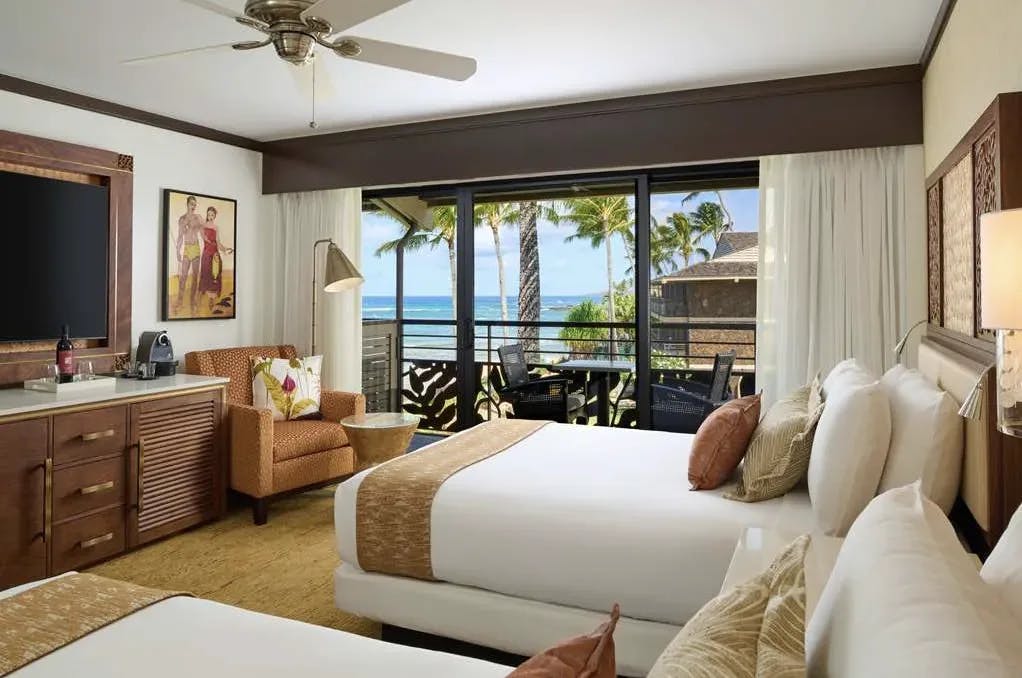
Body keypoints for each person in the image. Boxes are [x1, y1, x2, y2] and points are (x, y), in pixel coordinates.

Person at [197, 206, 234, 314]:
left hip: (215, 254)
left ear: (215, 216)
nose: (211, 217)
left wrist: (226, 249)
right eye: (209, 214)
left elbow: (218, 243)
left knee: (215, 275)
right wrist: (207, 238)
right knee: (205, 274)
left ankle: (211, 300)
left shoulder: (216, 228)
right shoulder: (202, 226)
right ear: (207, 215)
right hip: (206, 253)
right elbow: (204, 237)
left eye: (213, 215)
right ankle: (199, 297)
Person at [174, 195, 204, 315]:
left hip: (196, 249)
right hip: (187, 249)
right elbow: (180, 237)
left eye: (195, 204)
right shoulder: (182, 219)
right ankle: (180, 302)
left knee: (195, 277)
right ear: (187, 204)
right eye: (192, 204)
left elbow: (203, 232)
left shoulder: (198, 218)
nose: (194, 206)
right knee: (183, 277)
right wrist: (177, 251)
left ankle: (193, 303)